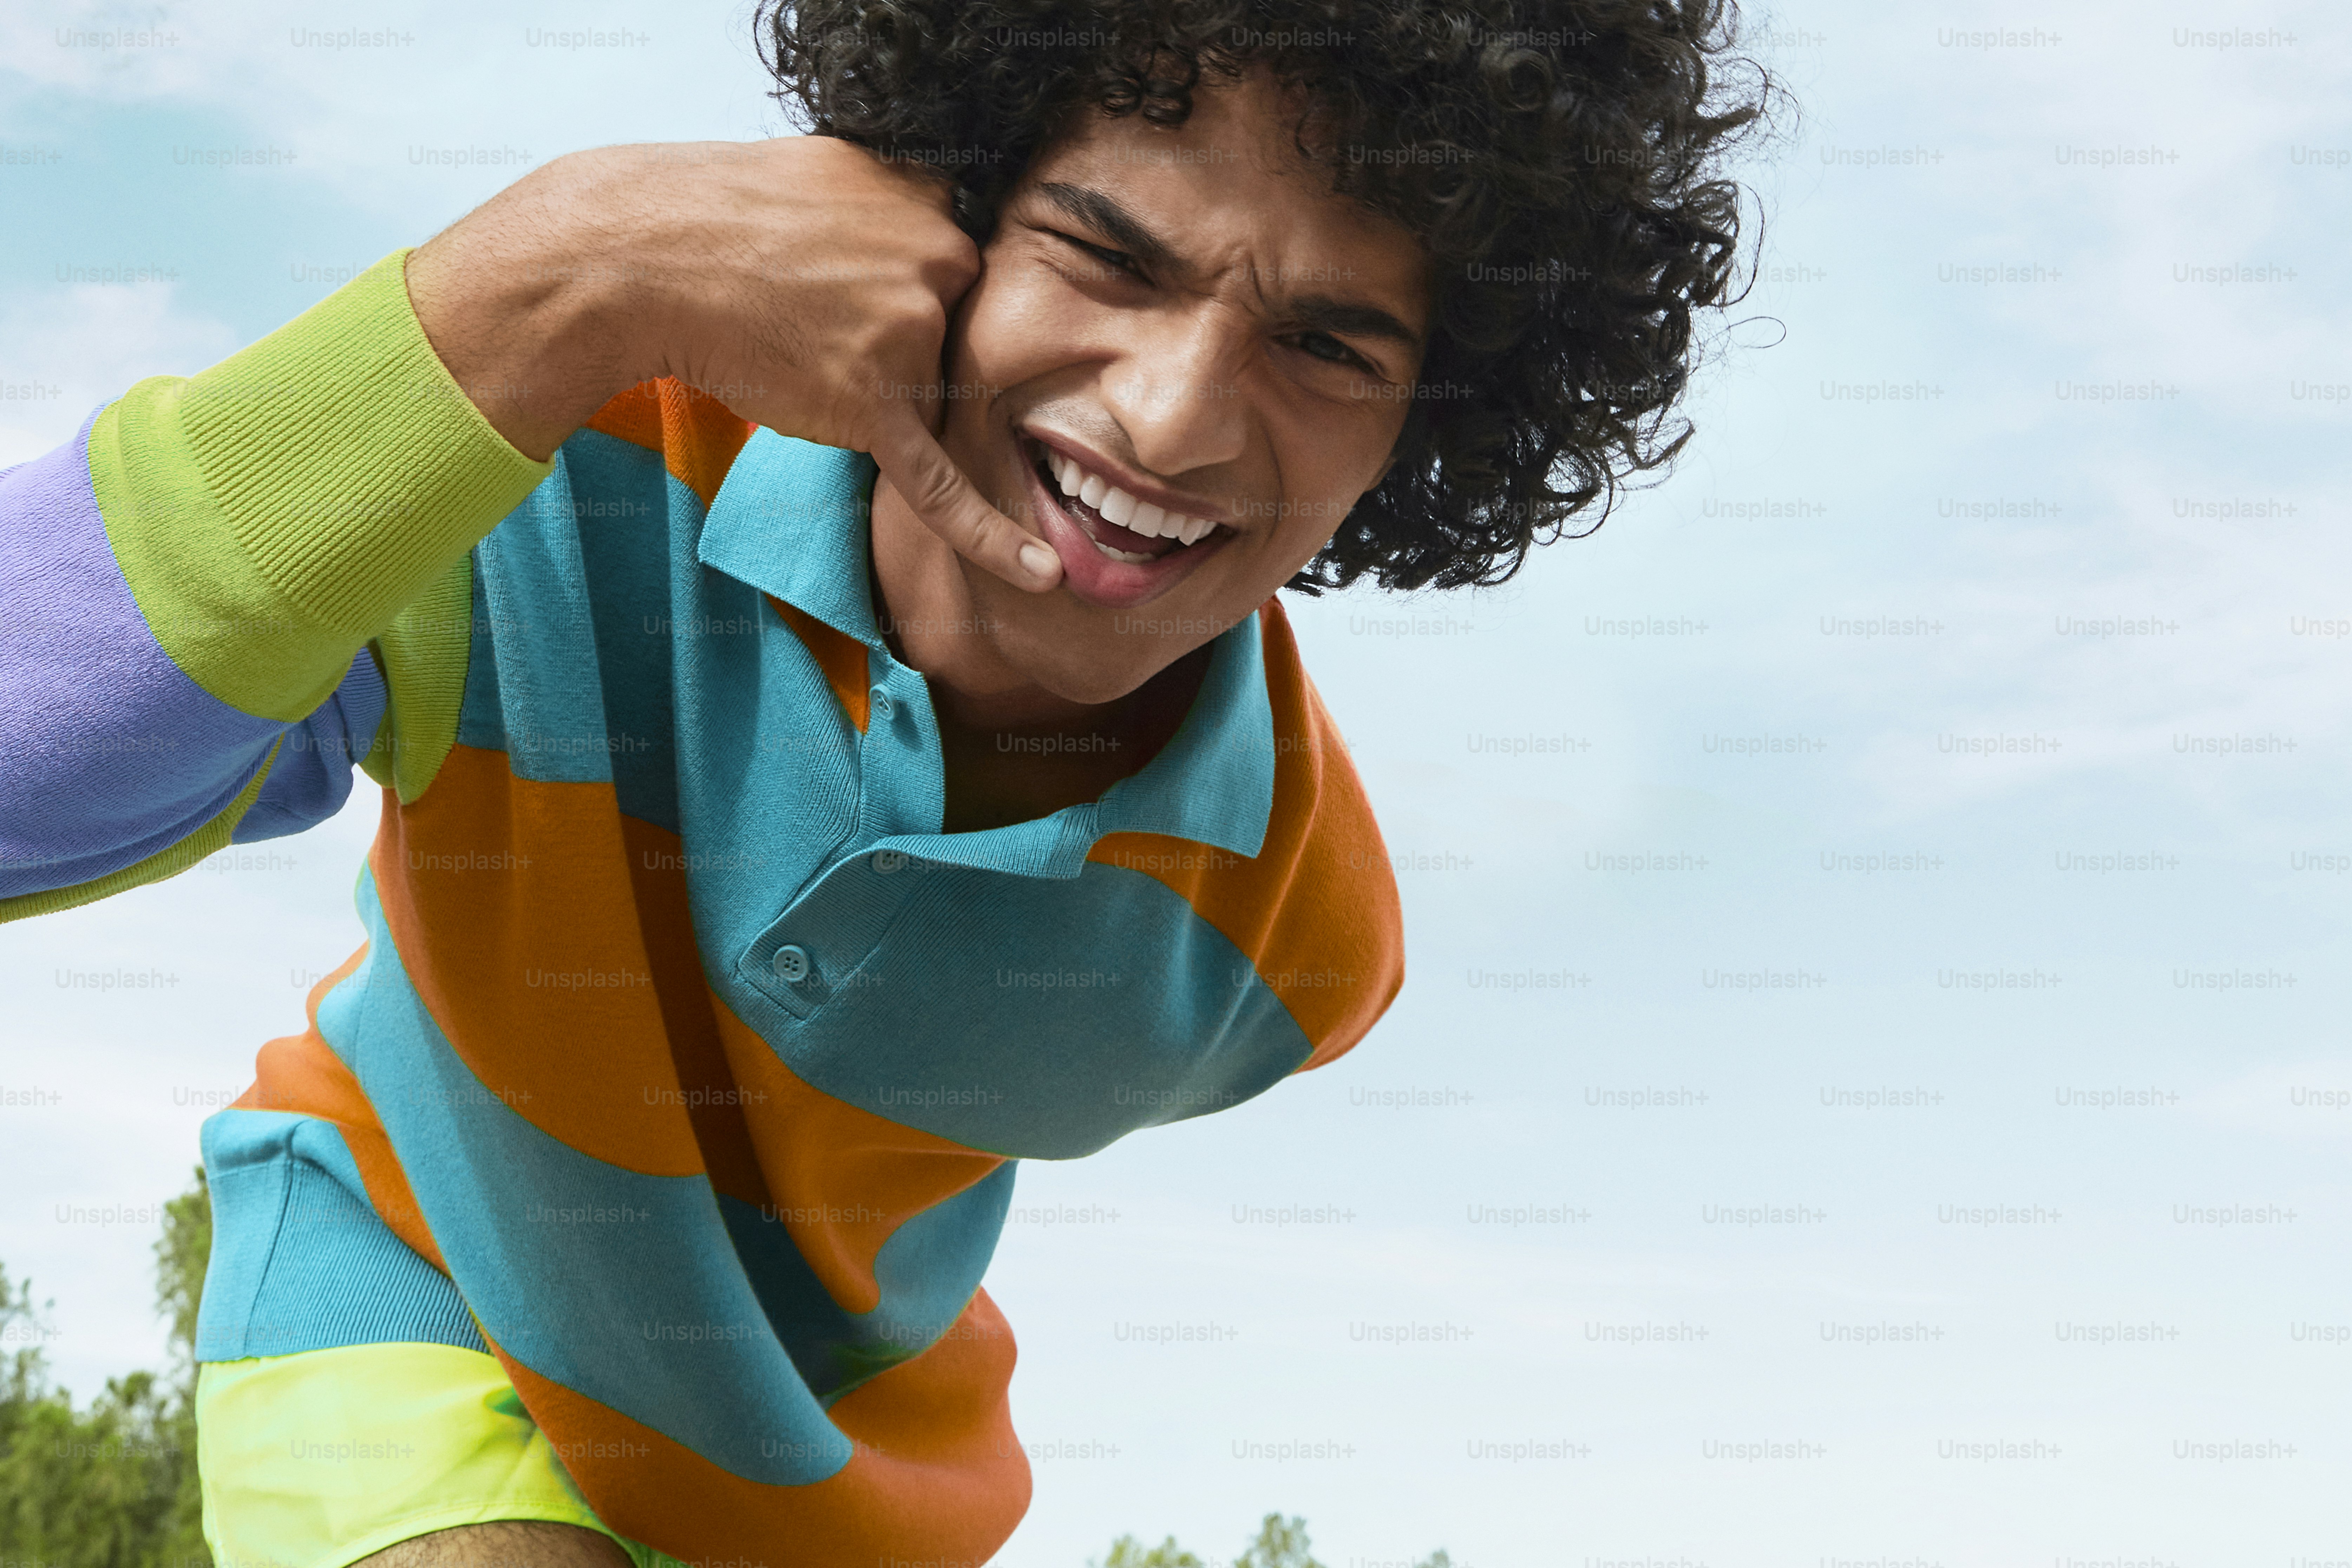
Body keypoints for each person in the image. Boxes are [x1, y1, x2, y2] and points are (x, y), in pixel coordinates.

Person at [0, 4, 1766, 1564]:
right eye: (1104, 252)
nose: (1168, 418)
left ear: (1426, 432)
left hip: (845, 1514)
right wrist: (559, 270)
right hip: (406, 1300)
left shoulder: (1291, 954)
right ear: (929, 215)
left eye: (1326, 346)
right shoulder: (548, 464)